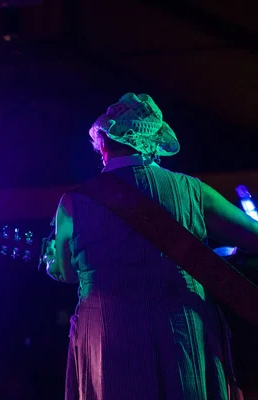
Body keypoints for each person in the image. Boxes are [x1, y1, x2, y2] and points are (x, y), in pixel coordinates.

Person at [44, 93, 258, 399]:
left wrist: (51, 260)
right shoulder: (191, 190)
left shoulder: (74, 202)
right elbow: (253, 236)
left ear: (103, 142)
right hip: (182, 330)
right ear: (154, 142)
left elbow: (66, 273)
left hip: (109, 337)